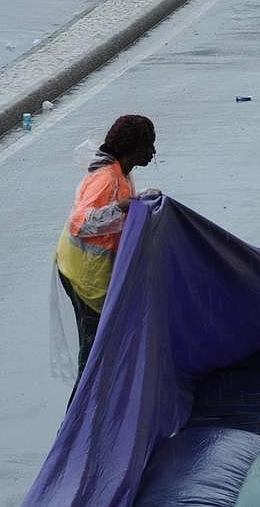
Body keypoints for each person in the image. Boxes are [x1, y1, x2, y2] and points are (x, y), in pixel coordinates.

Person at [55, 115, 158, 390]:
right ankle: (79, 420)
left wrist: (139, 200)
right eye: (149, 146)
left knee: (102, 349)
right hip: (84, 277)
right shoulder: (106, 178)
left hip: (89, 273)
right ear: (133, 148)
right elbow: (81, 223)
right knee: (92, 357)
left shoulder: (121, 172)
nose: (153, 153)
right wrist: (123, 207)